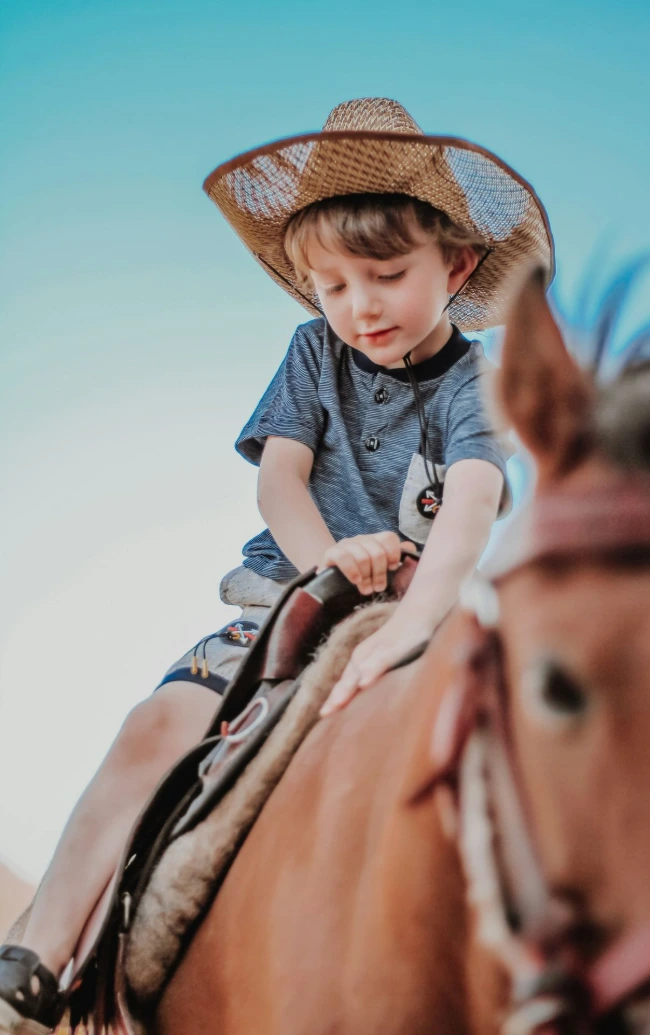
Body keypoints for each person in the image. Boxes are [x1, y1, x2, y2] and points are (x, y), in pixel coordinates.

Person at [0, 96, 553, 1033]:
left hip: (418, 616)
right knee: (155, 724)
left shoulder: (476, 384)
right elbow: (280, 485)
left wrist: (414, 620)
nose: (359, 306)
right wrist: (332, 563)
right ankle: (37, 960)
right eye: (332, 285)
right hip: (285, 596)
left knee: (528, 748)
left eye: (384, 274)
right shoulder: (312, 354)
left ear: (455, 265)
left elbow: (469, 507)